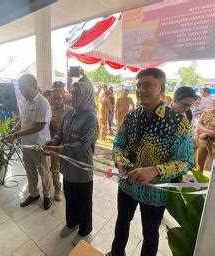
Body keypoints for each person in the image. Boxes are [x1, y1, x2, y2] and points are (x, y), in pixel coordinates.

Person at [106, 68, 194, 256]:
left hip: (154, 192)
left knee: (150, 233)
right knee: (122, 221)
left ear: (161, 88)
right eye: (138, 85)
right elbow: (118, 144)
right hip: (127, 184)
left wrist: (155, 170)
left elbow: (185, 161)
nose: (140, 90)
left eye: (147, 85)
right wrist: (120, 161)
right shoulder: (131, 117)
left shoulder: (178, 121)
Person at [44, 81, 98, 246]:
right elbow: (61, 131)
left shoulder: (91, 118)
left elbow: (83, 144)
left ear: (87, 96)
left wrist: (59, 149)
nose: (72, 96)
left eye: (76, 94)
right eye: (71, 93)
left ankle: (84, 230)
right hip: (68, 166)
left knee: (83, 200)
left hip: (82, 166)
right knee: (70, 196)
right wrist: (54, 140)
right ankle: (71, 223)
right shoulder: (70, 113)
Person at [4, 74, 53, 210]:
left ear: (35, 87)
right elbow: (22, 120)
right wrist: (14, 130)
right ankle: (33, 194)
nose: (22, 92)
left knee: (44, 171)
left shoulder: (42, 103)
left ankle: (47, 195)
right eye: (20, 89)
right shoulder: (26, 101)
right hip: (26, 144)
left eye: (25, 89)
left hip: (40, 144)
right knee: (30, 170)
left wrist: (16, 135)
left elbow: (39, 126)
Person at [49, 89, 71, 200]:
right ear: (51, 99)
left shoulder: (70, 110)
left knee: (67, 167)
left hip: (67, 145)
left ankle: (68, 187)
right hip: (54, 144)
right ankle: (57, 188)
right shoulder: (49, 110)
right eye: (54, 99)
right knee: (54, 168)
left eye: (59, 98)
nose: (56, 101)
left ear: (63, 98)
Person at [196, 100, 215, 172]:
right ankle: (199, 176)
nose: (213, 103)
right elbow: (199, 124)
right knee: (200, 160)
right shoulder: (206, 112)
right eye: (213, 102)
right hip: (205, 139)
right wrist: (207, 131)